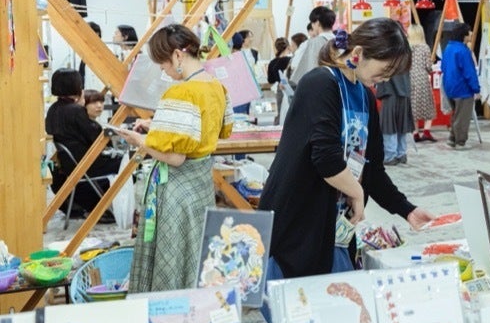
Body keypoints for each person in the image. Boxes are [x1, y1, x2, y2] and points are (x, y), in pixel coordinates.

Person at [259, 18, 439, 281]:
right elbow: (326, 158)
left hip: (337, 227)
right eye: (385, 69)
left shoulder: (365, 97)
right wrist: (356, 192)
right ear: (359, 53)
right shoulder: (320, 83)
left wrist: (407, 210)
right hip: (298, 223)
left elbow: (373, 170)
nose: (386, 78)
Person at [117, 25, 234, 293]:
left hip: (177, 191)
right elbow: (202, 130)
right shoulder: (216, 87)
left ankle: (169, 310)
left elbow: (175, 157)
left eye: (163, 63)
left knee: (173, 259)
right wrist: (157, 126)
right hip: (201, 187)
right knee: (196, 254)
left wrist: (140, 141)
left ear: (178, 55)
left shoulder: (181, 93)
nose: (163, 71)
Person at [45, 68, 121, 216]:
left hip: (70, 163)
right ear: (76, 85)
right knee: (127, 163)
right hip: (87, 164)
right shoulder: (75, 110)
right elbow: (97, 137)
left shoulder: (53, 109)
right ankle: (109, 209)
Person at [440, 22, 479, 148]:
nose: (471, 33)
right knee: (463, 117)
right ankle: (460, 142)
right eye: (469, 31)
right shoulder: (463, 50)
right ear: (464, 34)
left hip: (449, 87)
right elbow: (469, 72)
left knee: (456, 114)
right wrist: (476, 88)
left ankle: (452, 138)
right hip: (463, 89)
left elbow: (443, 67)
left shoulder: (448, 48)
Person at [287, 6, 337, 91]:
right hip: (338, 89)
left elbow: (295, 65)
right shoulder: (342, 43)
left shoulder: (311, 43)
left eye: (312, 23)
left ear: (317, 23)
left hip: (318, 89)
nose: (312, 26)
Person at [376, 59, 414, 166]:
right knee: (402, 125)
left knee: (389, 125)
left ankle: (390, 155)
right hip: (404, 92)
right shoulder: (404, 55)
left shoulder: (387, 55)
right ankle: (401, 154)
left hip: (390, 93)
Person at [408, 23, 437, 143]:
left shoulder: (407, 48)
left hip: (409, 78)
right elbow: (428, 67)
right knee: (428, 104)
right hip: (422, 78)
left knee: (413, 105)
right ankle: (426, 131)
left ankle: (415, 133)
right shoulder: (425, 48)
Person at [268, 37, 293, 123]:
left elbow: (270, 80)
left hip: (280, 90)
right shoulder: (291, 60)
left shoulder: (272, 63)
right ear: (288, 47)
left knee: (279, 114)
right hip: (292, 88)